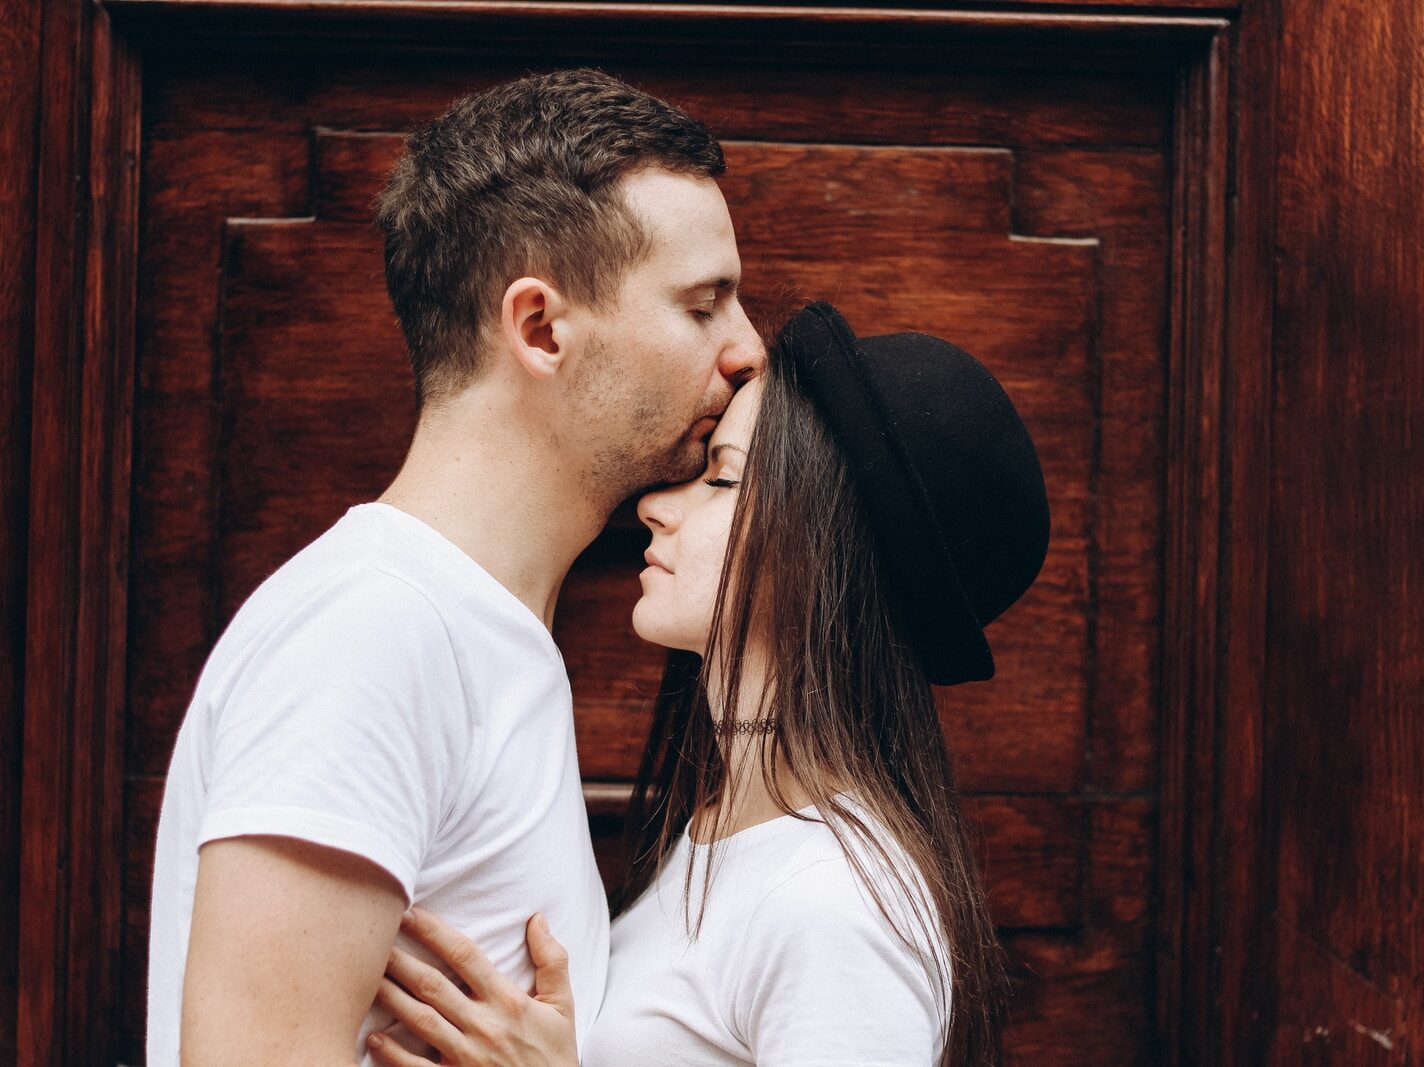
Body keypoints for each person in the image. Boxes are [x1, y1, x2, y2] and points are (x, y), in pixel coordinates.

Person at [145, 69, 764, 1066]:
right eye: (703, 306)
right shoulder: (375, 632)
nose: (745, 349)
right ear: (539, 327)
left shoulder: (465, 630)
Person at [363, 302, 1051, 1067]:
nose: (656, 505)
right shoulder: (722, 827)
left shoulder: (835, 903)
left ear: (825, 552)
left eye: (720, 477)